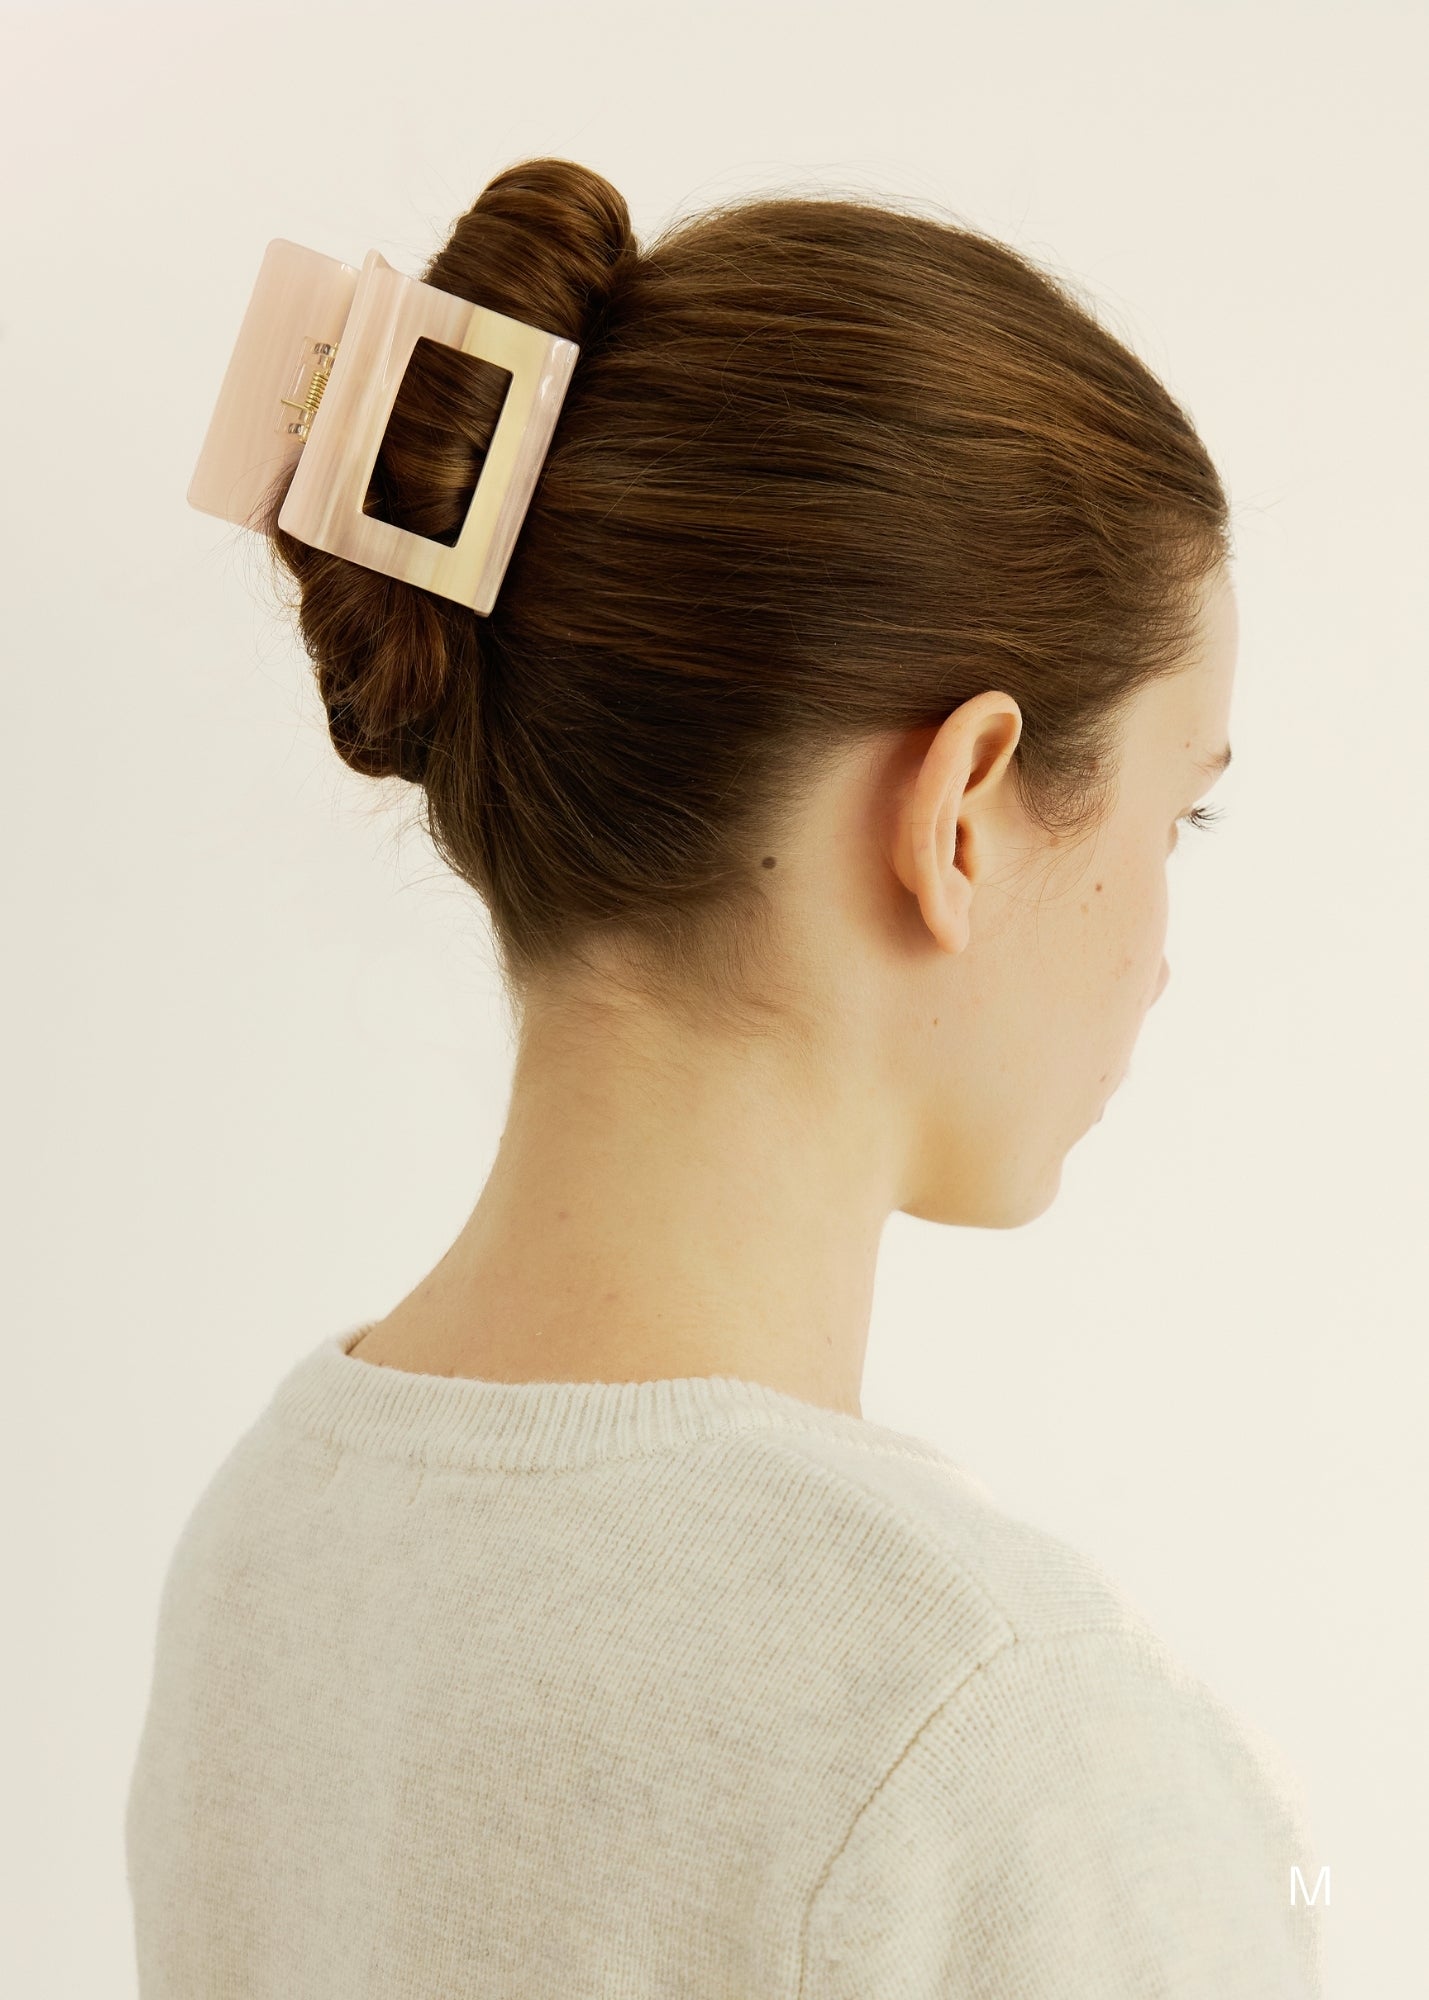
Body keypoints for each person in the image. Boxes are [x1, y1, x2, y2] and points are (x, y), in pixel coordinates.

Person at [125, 157, 1323, 1996]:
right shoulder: (981, 1719)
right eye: (1184, 809)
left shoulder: (271, 1548)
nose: (1163, 951)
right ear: (965, 811)